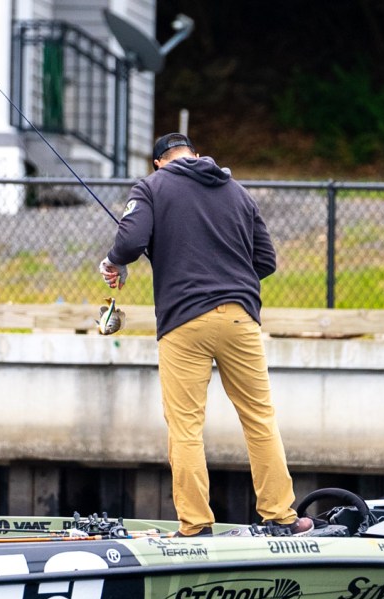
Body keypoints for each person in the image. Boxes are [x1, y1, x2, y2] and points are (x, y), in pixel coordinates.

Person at [99, 132, 312, 538]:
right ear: (196, 156)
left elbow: (130, 241)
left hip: (184, 323)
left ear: (158, 162)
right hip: (240, 319)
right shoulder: (236, 191)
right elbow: (265, 260)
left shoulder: (152, 186)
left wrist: (113, 262)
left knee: (186, 427)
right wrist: (230, 278)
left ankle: (196, 525)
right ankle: (282, 516)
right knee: (259, 418)